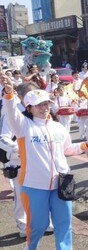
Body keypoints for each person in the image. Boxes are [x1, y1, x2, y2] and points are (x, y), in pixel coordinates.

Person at [0, 75, 88, 250]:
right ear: (29, 108)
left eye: (46, 103)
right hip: (33, 185)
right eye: (39, 105)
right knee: (39, 224)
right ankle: (30, 246)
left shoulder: (58, 127)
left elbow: (68, 149)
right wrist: (9, 93)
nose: (44, 108)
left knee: (64, 222)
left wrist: (86, 145)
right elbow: (11, 112)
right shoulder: (24, 127)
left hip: (60, 183)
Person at [0, 82, 38, 239]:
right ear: (21, 96)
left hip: (38, 160)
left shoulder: (40, 110)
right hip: (18, 160)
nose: (35, 97)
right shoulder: (12, 112)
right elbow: (3, 139)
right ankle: (23, 225)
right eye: (30, 94)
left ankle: (43, 222)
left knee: (41, 193)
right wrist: (19, 150)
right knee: (21, 193)